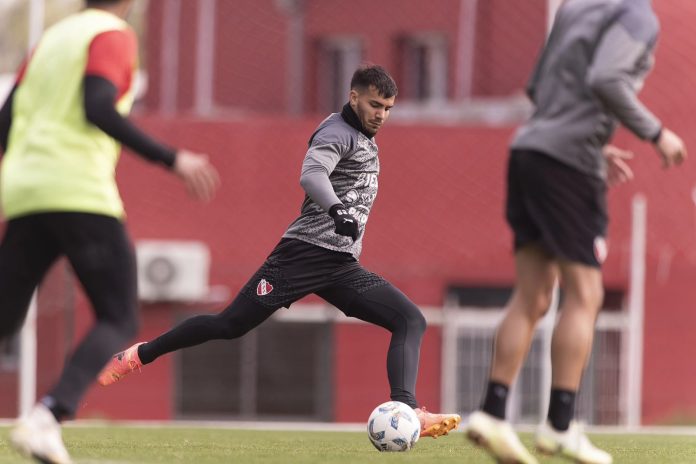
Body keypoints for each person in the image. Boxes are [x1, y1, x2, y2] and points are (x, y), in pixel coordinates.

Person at [98, 64, 461, 438]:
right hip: (301, 256)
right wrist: (337, 210)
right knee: (229, 325)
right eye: (374, 105)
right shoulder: (337, 131)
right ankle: (138, 355)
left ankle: (407, 409)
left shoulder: (365, 136)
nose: (380, 115)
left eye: (387, 108)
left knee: (410, 320)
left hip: (340, 265)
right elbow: (312, 174)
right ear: (354, 97)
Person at [465, 1, 687, 463]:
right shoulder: (637, 16)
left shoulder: (574, 7)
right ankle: (560, 427)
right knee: (585, 295)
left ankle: (491, 413)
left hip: (529, 150)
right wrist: (656, 132)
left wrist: (590, 143)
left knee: (532, 295)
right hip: (566, 164)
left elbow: (537, 86)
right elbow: (606, 79)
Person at [0, 1, 220, 462]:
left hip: (23, 191)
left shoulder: (50, 41)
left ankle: (46, 418)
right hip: (77, 190)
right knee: (118, 315)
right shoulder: (112, 34)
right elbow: (98, 105)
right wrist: (173, 159)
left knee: (4, 319)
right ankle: (47, 417)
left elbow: (5, 121)